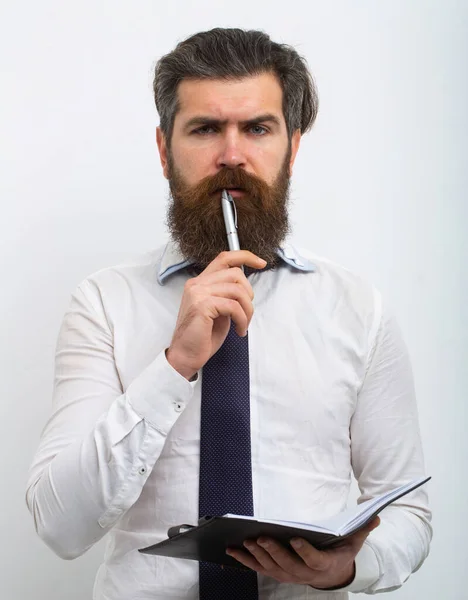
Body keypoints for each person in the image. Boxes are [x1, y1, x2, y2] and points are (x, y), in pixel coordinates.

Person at [26, 27, 432, 599]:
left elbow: (410, 512)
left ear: (292, 148)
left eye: (258, 128)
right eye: (206, 129)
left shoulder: (358, 309)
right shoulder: (103, 304)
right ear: (165, 151)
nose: (232, 155)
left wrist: (343, 569)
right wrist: (175, 364)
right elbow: (60, 524)